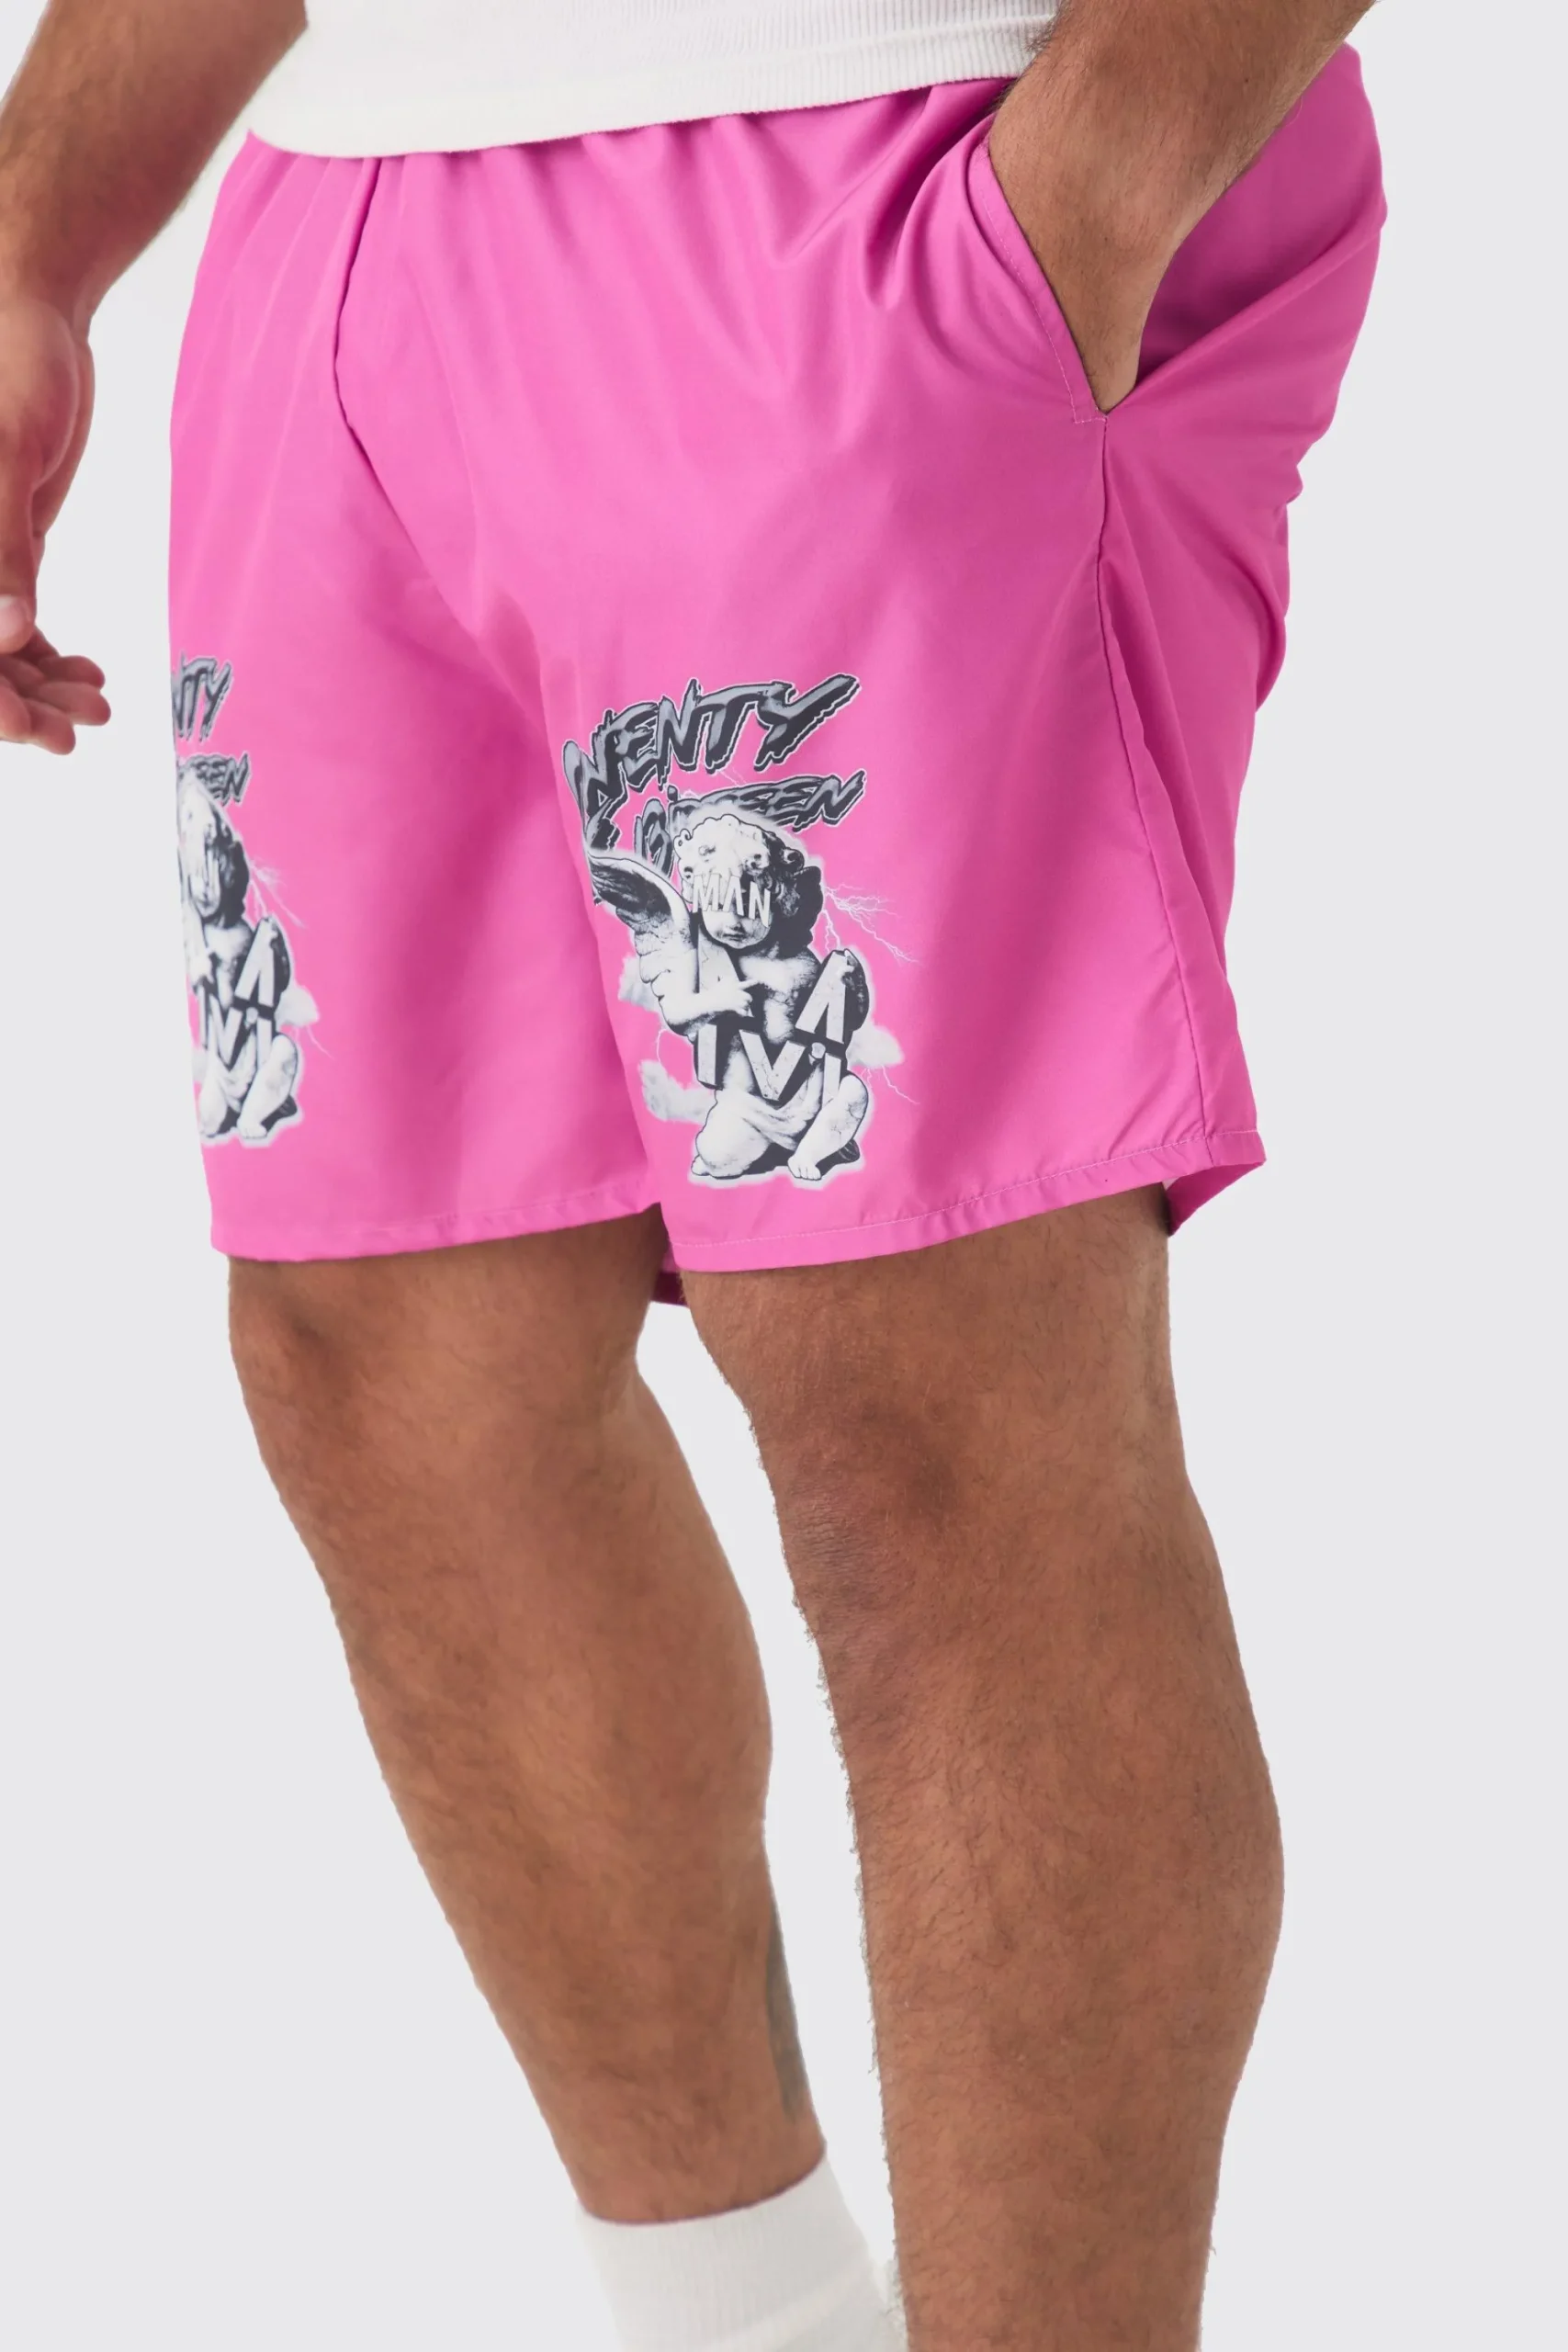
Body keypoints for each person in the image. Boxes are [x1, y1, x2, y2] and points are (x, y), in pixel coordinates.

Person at [0, 2, 1383, 2346]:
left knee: (923, 1403)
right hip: (343, 230)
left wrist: (1090, 192)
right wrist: (32, 237)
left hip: (872, 169)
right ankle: (753, 2317)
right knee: (380, 1351)